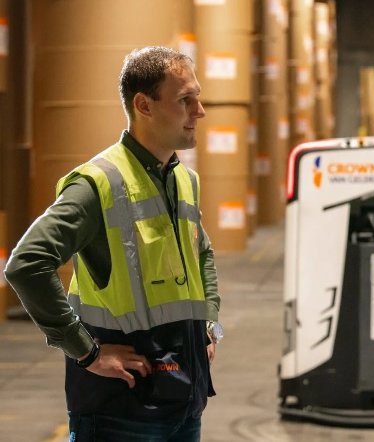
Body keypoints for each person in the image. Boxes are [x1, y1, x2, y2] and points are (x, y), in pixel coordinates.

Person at [4, 46, 222, 441]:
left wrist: (208, 323)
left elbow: (201, 252)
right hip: (120, 409)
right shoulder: (98, 183)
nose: (200, 111)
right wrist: (85, 351)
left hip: (183, 397)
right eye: (185, 100)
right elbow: (27, 263)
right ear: (144, 105)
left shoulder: (182, 179)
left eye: (198, 97)